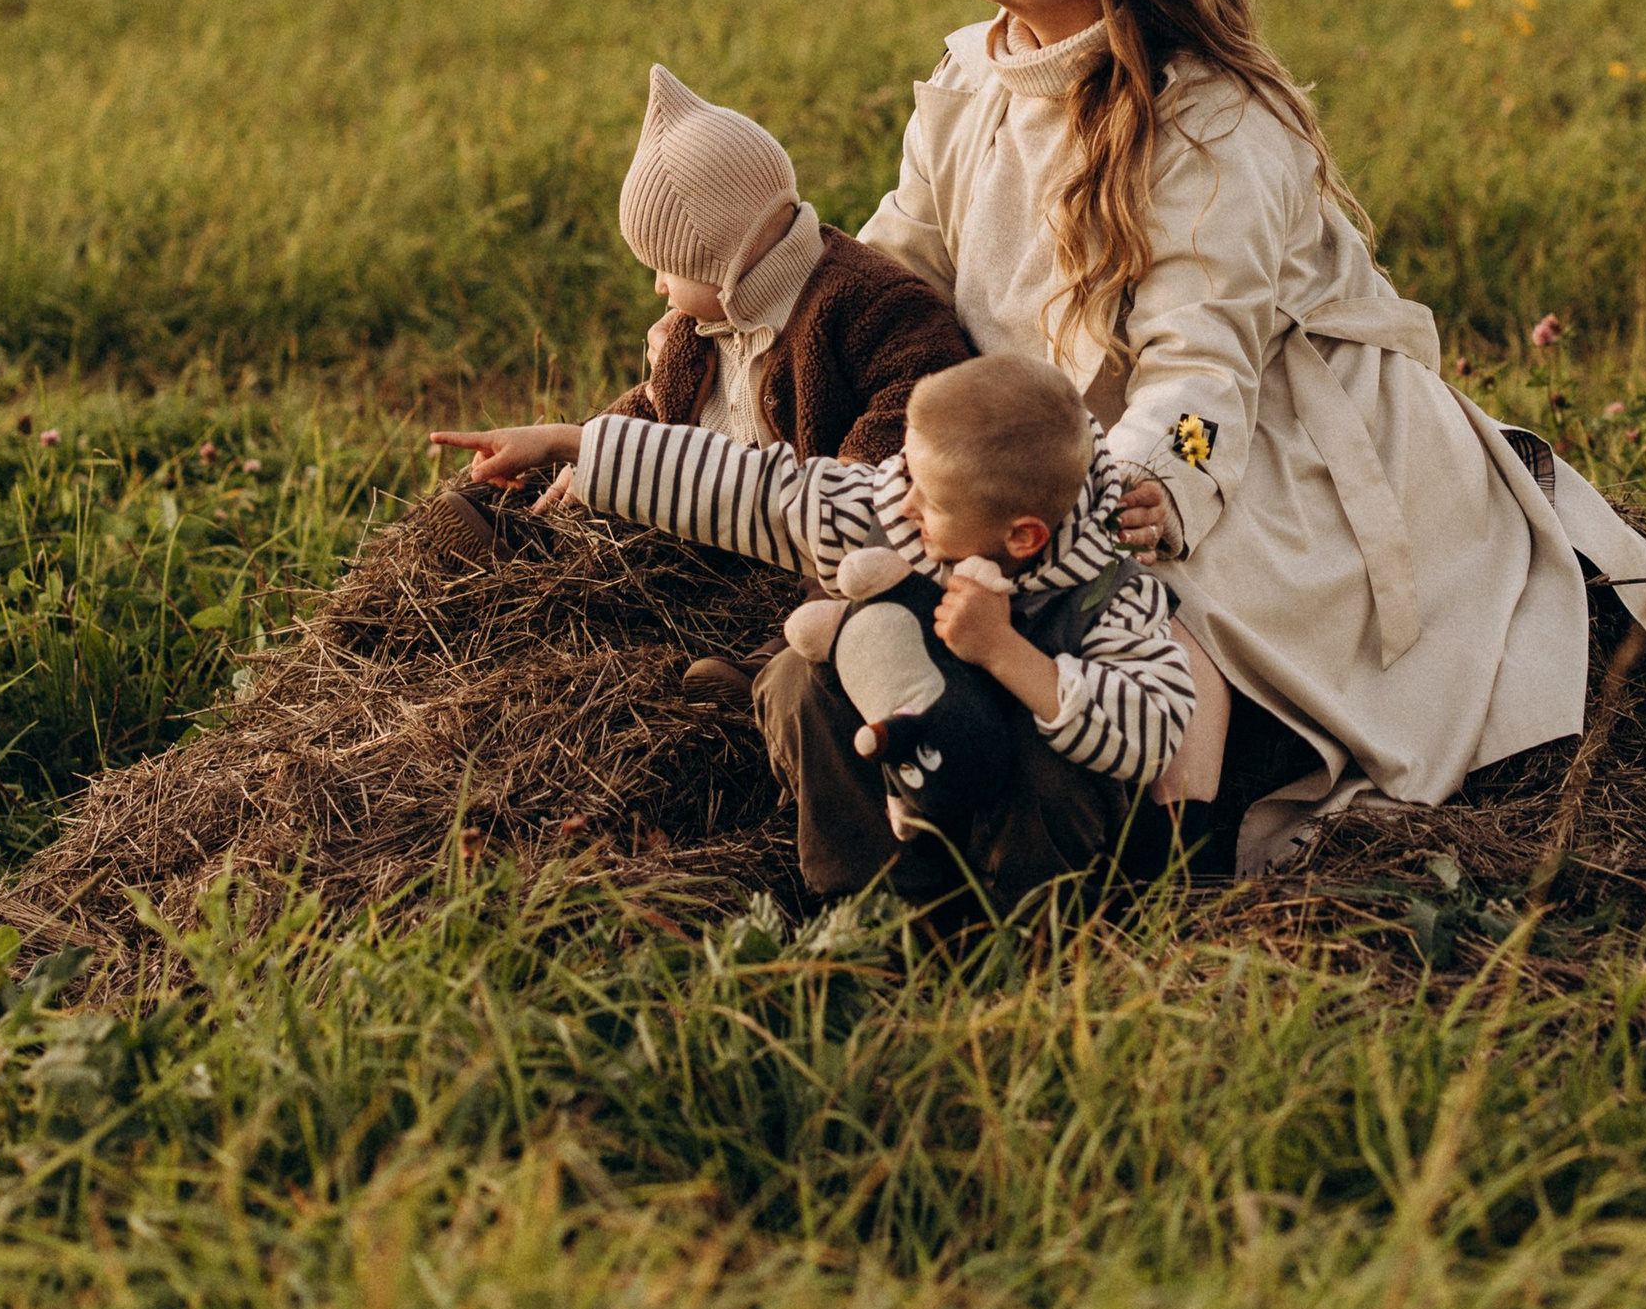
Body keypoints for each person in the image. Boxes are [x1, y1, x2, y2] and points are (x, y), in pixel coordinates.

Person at [857, 0, 1646, 871]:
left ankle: (1169, 840)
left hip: (1262, 431)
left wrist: (1157, 483)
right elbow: (894, 264)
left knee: (1159, 603)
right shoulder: (972, 75)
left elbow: (1201, 376)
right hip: (1049, 427)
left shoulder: (1217, 128)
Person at [453, 349, 1194, 907]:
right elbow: (755, 489)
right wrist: (573, 442)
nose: (899, 501)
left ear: (1023, 536)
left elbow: (1153, 727)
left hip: (1025, 845)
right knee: (798, 677)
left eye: (924, 500)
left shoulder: (1109, 591)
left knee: (1052, 770)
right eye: (902, 472)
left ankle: (1014, 939)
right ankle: (873, 906)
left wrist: (1004, 652)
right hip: (906, 772)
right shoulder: (898, 503)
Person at [429, 65, 969, 552]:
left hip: (803, 539)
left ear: (724, 258)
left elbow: (910, 407)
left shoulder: (872, 306)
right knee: (600, 508)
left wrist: (847, 481)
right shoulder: (702, 328)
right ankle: (523, 527)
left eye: (667, 268)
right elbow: (652, 410)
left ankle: (768, 655)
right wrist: (573, 450)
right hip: (710, 520)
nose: (660, 287)